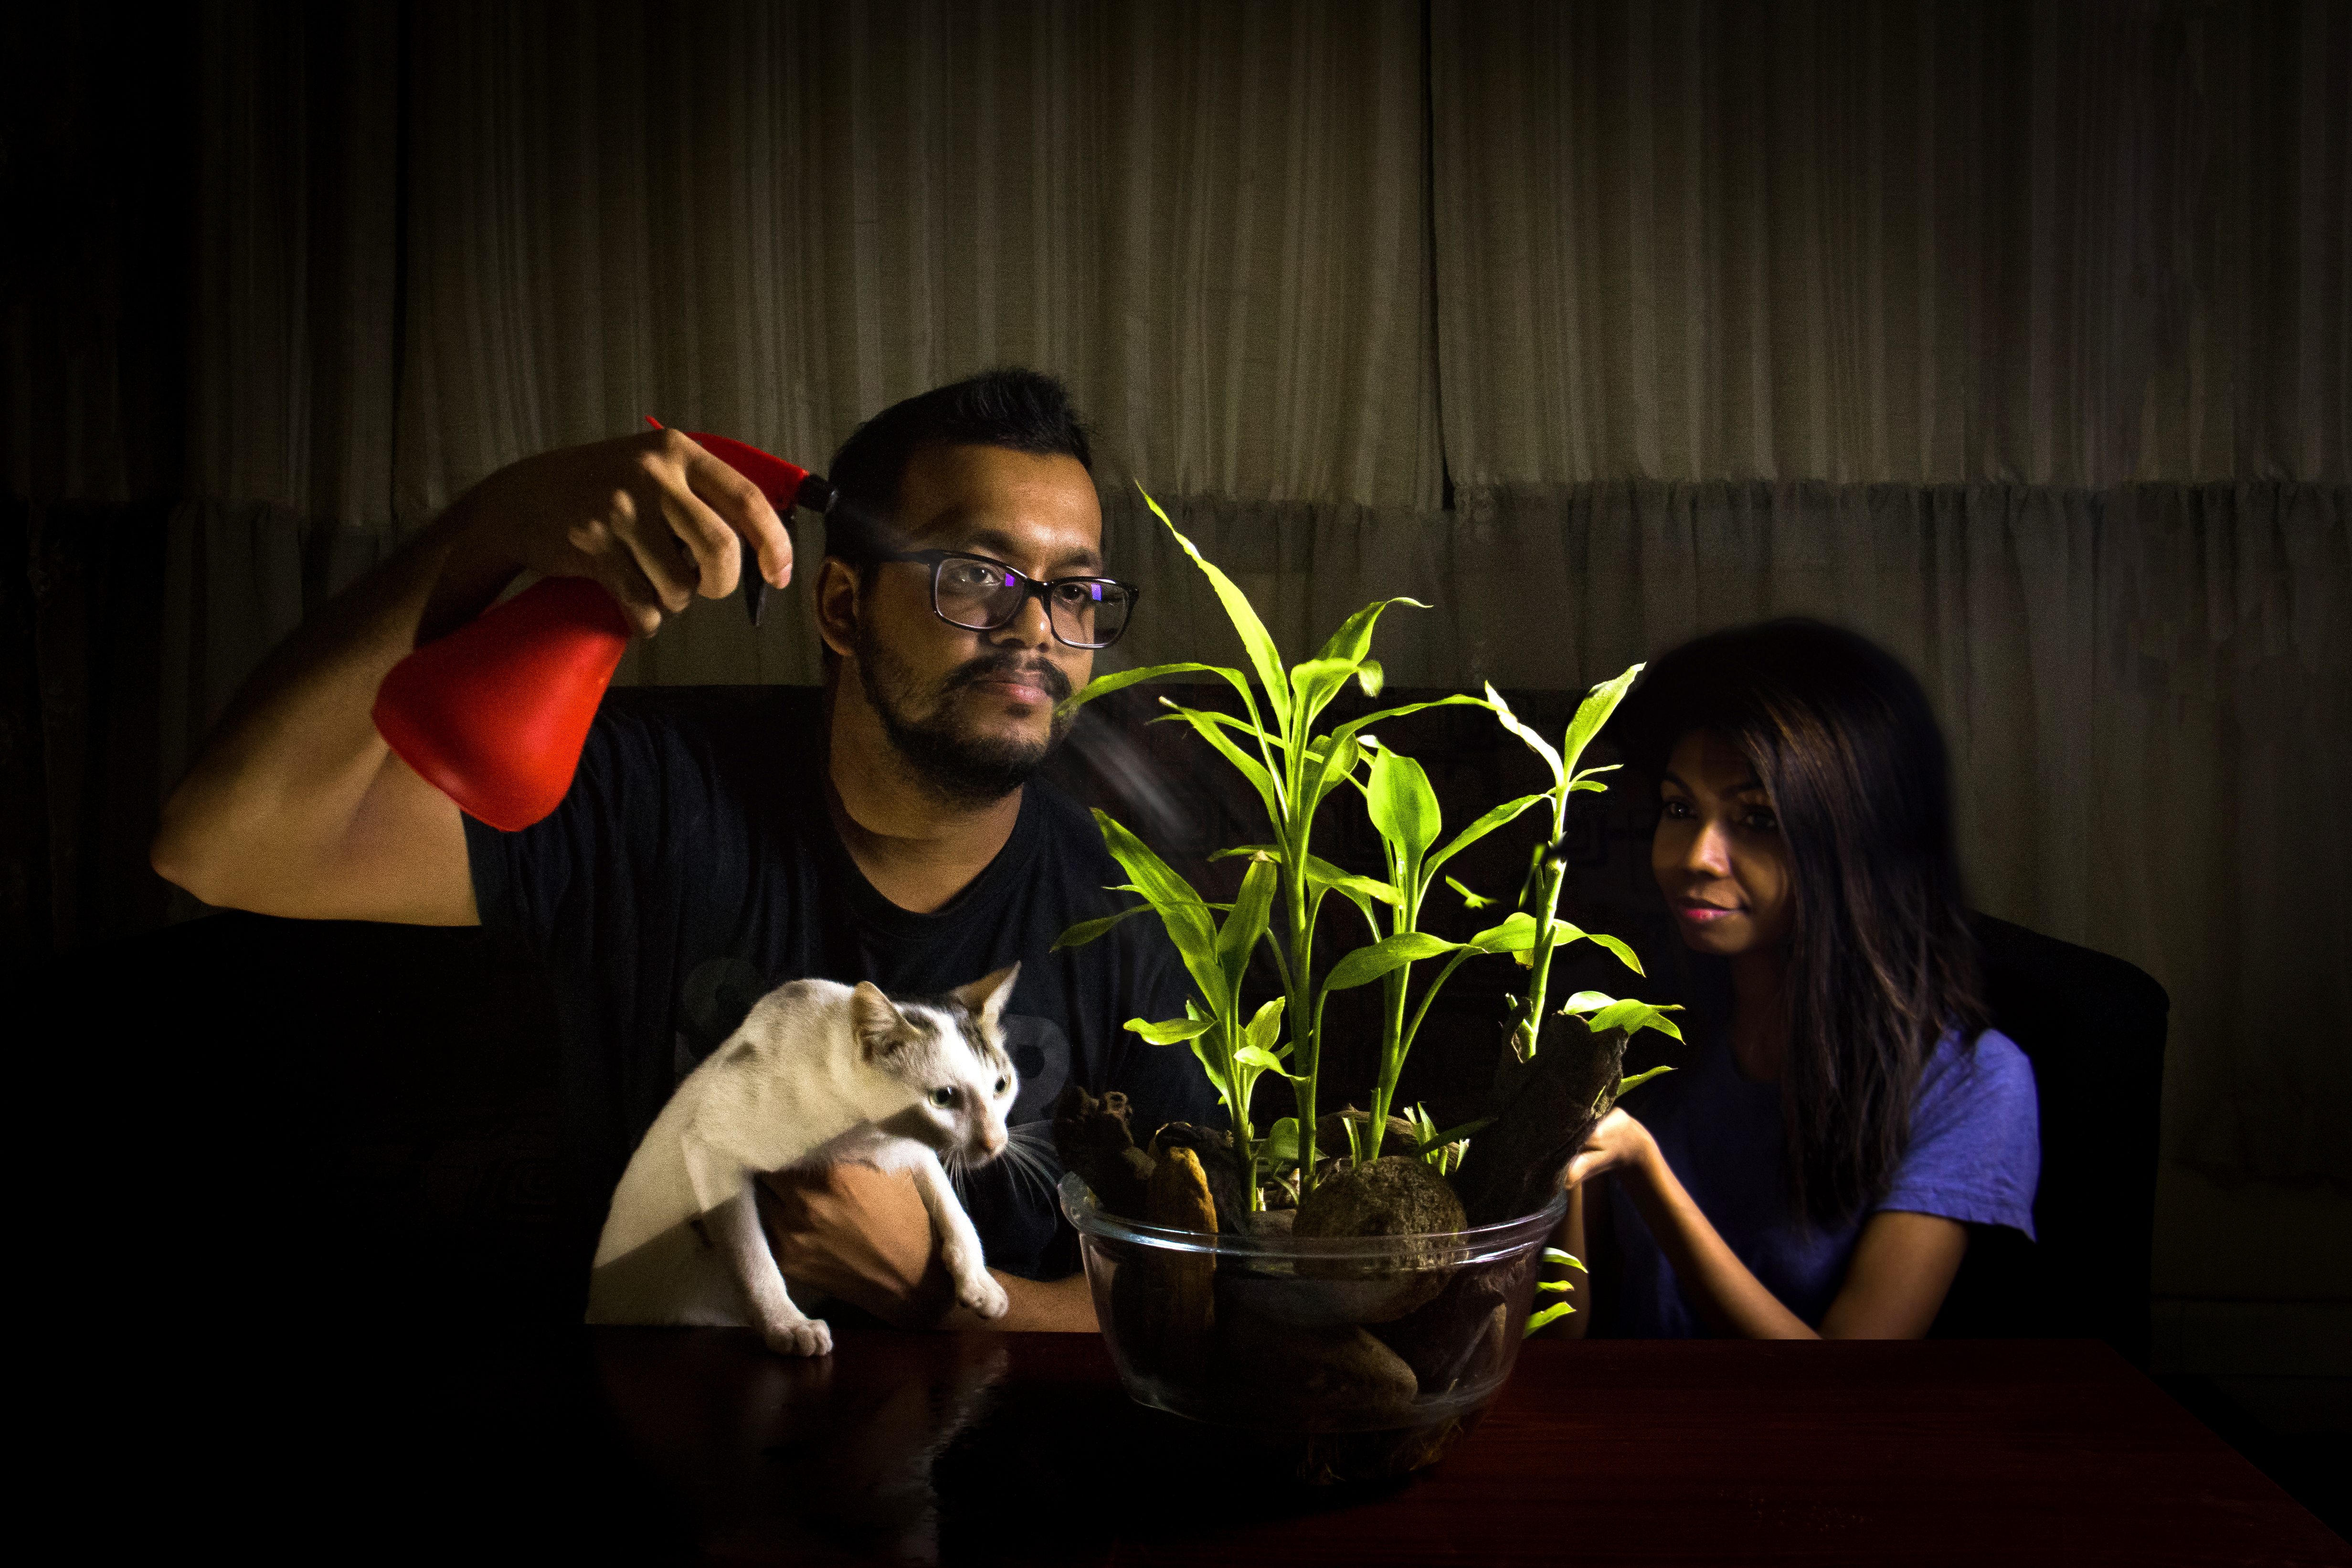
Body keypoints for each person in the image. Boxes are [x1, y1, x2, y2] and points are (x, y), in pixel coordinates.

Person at [152, 367, 1213, 1331]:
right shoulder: (651, 799)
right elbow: (222, 843)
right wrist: (494, 527)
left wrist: (946, 1290)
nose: (1036, 629)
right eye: (978, 574)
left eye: (1074, 589)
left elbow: (1209, 1294)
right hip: (667, 1478)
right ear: (843, 607)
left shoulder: (1128, 907)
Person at [1556, 619, 2039, 1339]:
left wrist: (1645, 1172)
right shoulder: (1642, 1031)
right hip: (1630, 1433)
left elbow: (1844, 1388)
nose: (1696, 855)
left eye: (1756, 819)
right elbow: (1566, 1341)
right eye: (1679, 809)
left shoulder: (1970, 1083)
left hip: (1816, 1446)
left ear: (1850, 844)